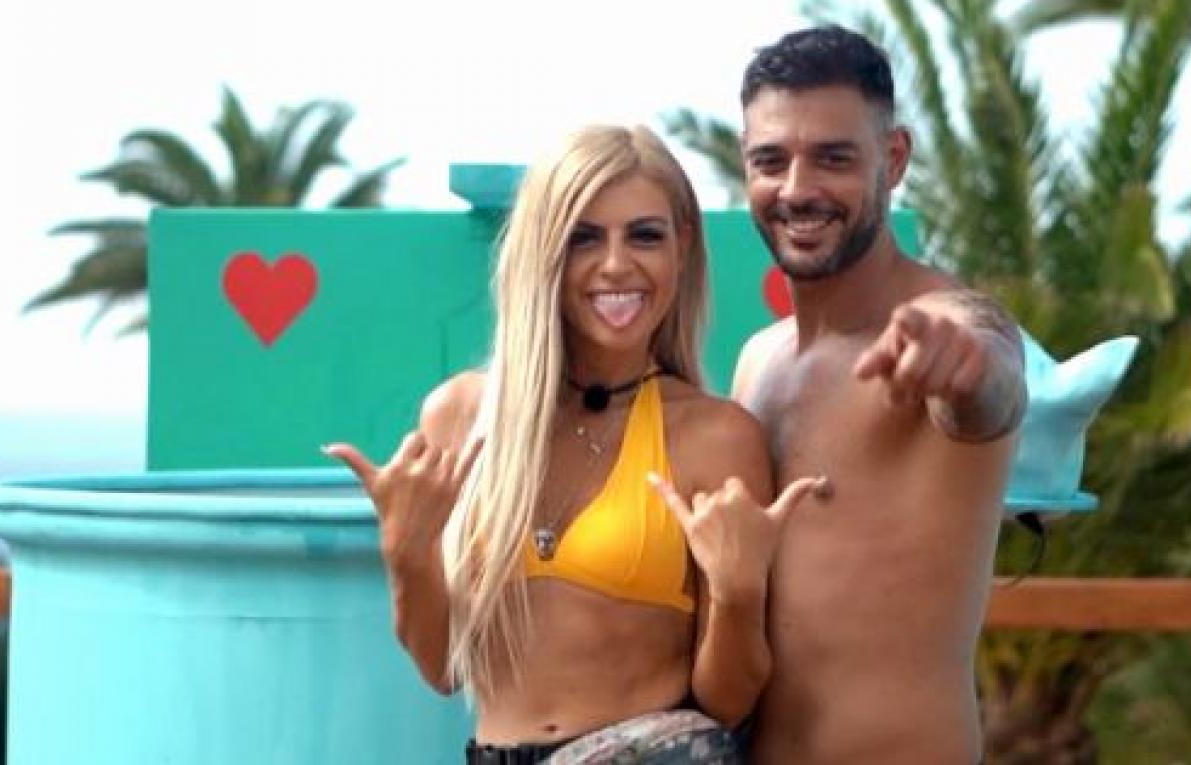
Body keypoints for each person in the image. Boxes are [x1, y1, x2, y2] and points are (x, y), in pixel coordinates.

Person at [326, 125, 821, 764]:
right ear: (544, 252)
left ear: (682, 247)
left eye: (644, 235)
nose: (616, 264)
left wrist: (737, 592)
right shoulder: (461, 416)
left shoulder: (716, 437)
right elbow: (441, 668)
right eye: (584, 237)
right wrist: (406, 553)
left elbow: (727, 701)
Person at [729, 26, 1028, 764]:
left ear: (892, 160)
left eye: (833, 158)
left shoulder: (945, 322)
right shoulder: (757, 360)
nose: (797, 189)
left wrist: (969, 367)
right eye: (771, 160)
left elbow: (992, 387)